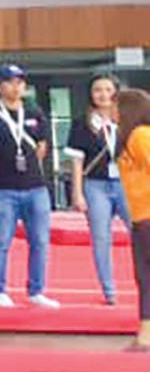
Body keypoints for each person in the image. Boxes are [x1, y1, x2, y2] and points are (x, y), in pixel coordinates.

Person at [0, 64, 58, 309]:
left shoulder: (34, 111)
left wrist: (29, 168)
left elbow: (41, 147)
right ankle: (0, 290)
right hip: (3, 189)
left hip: (35, 187)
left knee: (40, 241)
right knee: (2, 241)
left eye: (19, 82)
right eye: (9, 82)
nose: (15, 86)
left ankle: (36, 290)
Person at [69, 75, 132, 306]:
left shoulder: (128, 119)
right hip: (95, 186)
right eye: (97, 90)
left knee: (141, 233)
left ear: (116, 92)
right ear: (91, 94)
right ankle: (109, 291)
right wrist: (77, 193)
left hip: (126, 184)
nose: (103, 94)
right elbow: (77, 161)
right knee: (101, 238)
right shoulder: (82, 123)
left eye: (107, 89)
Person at [114, 88, 150, 350]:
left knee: (146, 276)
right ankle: (146, 334)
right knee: (144, 277)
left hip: (148, 215)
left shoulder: (140, 136)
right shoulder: (130, 137)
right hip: (141, 215)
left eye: (116, 107)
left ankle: (146, 335)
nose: (111, 112)